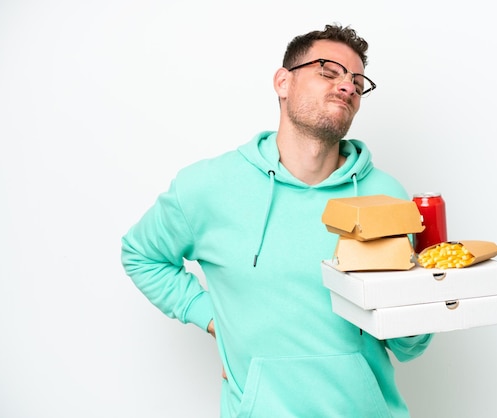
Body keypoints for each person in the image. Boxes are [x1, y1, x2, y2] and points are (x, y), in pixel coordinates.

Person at [121, 23, 433, 417]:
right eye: (328, 70)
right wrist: (213, 319)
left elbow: (410, 346)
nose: (348, 86)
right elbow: (140, 255)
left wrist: (426, 297)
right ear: (282, 82)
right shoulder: (207, 187)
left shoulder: (387, 195)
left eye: (357, 80)